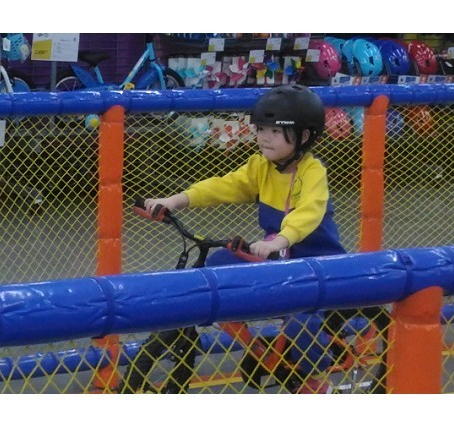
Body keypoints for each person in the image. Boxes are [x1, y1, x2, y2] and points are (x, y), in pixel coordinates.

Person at [142, 84, 346, 393]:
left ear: (304, 136)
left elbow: (310, 211)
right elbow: (226, 185)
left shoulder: (312, 171)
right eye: (261, 129)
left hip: (315, 264)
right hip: (277, 260)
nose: (264, 137)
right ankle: (257, 343)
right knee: (218, 263)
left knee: (302, 321)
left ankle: (316, 378)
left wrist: (280, 241)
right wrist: (176, 200)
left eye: (275, 131)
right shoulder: (261, 166)